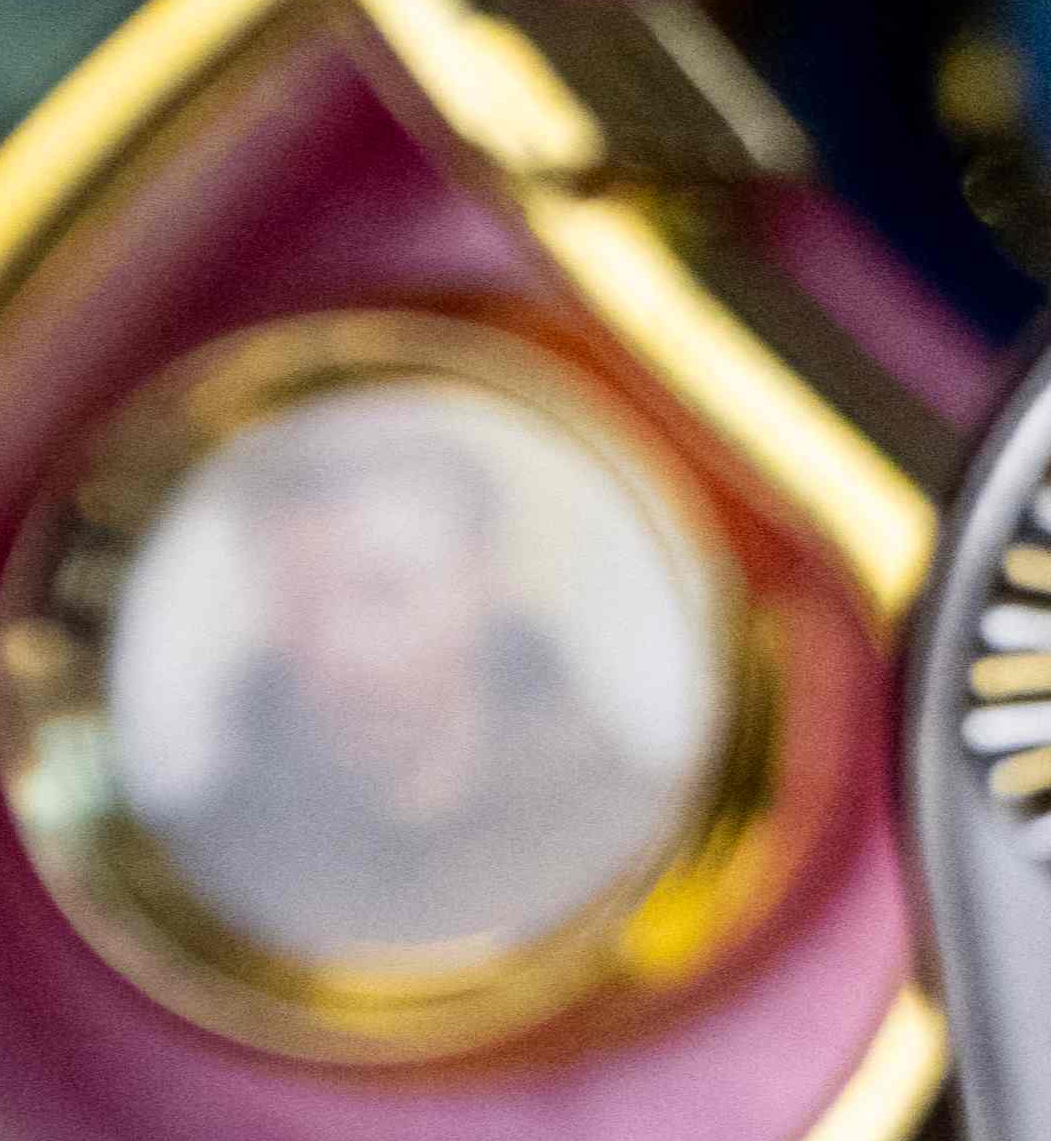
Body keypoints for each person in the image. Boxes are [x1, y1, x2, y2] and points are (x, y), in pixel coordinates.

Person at [156, 398, 680, 968]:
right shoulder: (206, 865)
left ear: (480, 583)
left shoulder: (633, 832)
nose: (339, 648)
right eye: (302, 599)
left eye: (383, 591)